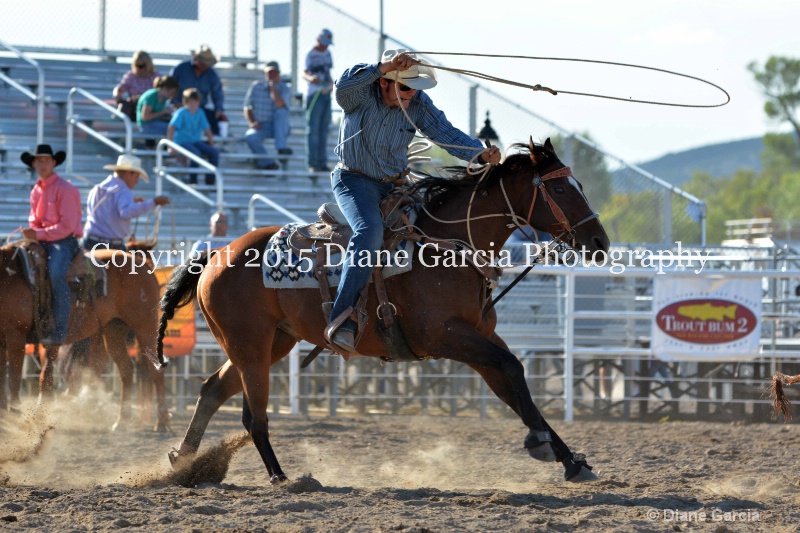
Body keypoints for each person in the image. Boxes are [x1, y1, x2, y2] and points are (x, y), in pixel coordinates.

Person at [327, 49, 501, 353]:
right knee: (368, 233)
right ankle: (342, 318)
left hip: (395, 185)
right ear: (384, 82)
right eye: (406, 87)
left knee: (437, 228)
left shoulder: (417, 103)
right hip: (354, 181)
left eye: (415, 89)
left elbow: (445, 133)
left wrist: (479, 153)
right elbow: (342, 88)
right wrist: (382, 66)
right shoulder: (361, 94)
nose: (411, 95)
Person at [20, 144, 83, 345]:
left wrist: (37, 233)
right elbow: (35, 220)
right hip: (45, 240)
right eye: (38, 160)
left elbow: (66, 226)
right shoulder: (35, 190)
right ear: (34, 164)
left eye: (46, 160)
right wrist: (32, 233)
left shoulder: (66, 189)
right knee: (19, 266)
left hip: (64, 242)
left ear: (54, 162)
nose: (42, 164)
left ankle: (60, 330)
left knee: (56, 273)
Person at [81, 154, 170, 252]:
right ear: (128, 174)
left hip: (88, 242)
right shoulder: (124, 191)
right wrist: (153, 202)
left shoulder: (97, 189)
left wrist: (132, 201)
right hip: (111, 245)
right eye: (136, 177)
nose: (137, 182)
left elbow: (108, 209)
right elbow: (126, 212)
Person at [243, 61, 293, 172]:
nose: (271, 75)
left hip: (279, 127)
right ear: (264, 73)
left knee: (281, 112)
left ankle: (281, 148)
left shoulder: (285, 88)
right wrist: (252, 122)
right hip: (262, 126)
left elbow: (279, 104)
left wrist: (272, 88)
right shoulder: (256, 86)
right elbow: (247, 107)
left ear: (279, 74)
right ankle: (268, 163)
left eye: (274, 72)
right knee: (250, 137)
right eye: (269, 72)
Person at [169, 45, 227, 136]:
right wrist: (176, 102)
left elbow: (217, 93)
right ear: (196, 60)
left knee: (216, 119)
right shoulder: (181, 69)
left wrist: (219, 109)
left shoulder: (211, 74)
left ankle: (213, 144)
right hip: (180, 108)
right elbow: (170, 87)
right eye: (204, 63)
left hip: (199, 109)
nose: (206, 66)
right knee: (178, 118)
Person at [167, 88, 220, 185]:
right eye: (191, 102)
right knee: (195, 153)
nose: (193, 104)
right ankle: (193, 181)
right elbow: (171, 127)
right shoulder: (181, 112)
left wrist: (212, 144)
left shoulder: (200, 112)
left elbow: (207, 129)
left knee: (214, 153)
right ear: (185, 102)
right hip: (182, 142)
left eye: (195, 101)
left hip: (195, 141)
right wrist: (170, 146)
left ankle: (210, 181)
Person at [302, 29, 334, 173]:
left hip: (326, 93)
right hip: (314, 94)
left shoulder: (328, 54)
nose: (325, 46)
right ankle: (313, 163)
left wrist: (332, 84)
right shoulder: (311, 53)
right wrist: (311, 79)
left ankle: (322, 162)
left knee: (323, 130)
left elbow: (328, 72)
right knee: (313, 130)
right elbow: (305, 72)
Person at [114, 51, 160, 121]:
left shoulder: (155, 76)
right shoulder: (131, 75)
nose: (140, 69)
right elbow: (121, 87)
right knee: (125, 106)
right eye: (138, 66)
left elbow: (159, 92)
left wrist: (143, 97)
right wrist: (117, 93)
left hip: (149, 107)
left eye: (143, 66)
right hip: (134, 107)